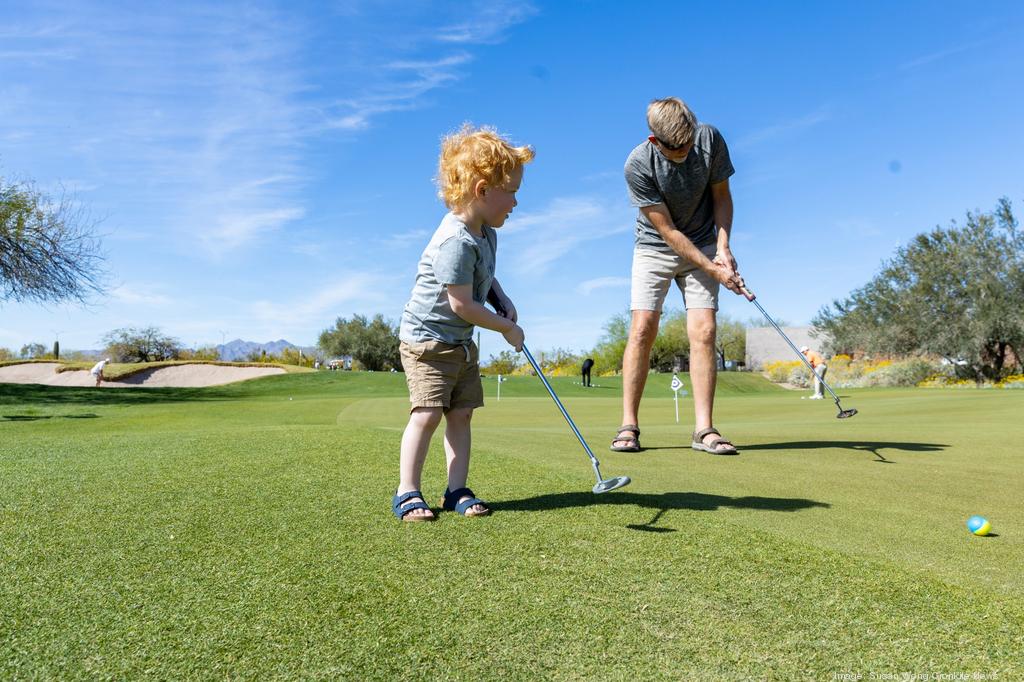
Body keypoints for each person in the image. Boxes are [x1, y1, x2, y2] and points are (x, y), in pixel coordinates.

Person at [393, 125, 532, 522]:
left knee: (462, 413)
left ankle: (456, 491)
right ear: (483, 190)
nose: (517, 202)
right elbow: (461, 305)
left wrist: (501, 299)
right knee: (428, 413)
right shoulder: (455, 240)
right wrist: (506, 328)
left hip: (459, 343)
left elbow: (482, 277)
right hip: (427, 340)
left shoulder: (485, 232)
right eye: (512, 191)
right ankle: (407, 492)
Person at [611, 97, 745, 455]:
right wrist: (713, 268)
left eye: (688, 144)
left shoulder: (710, 139)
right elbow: (667, 231)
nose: (685, 151)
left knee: (704, 331)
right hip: (654, 247)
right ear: (655, 142)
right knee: (642, 328)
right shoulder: (637, 164)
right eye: (676, 149)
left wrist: (723, 248)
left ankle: (704, 430)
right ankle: (629, 425)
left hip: (704, 241)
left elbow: (722, 196)